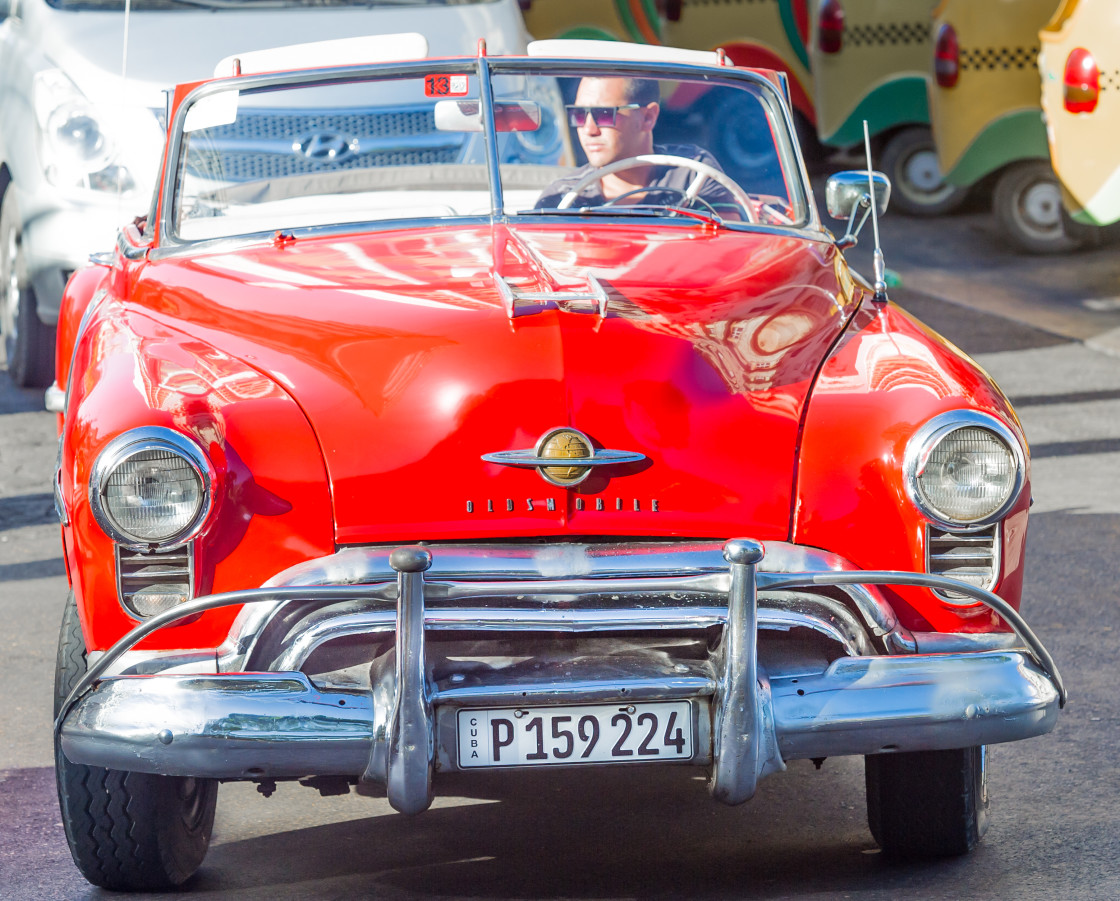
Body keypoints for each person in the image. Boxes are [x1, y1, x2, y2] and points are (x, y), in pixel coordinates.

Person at [535, 76, 736, 213]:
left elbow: (730, 250)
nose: (588, 129)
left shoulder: (692, 174)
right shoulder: (562, 196)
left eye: (604, 115)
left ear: (648, 117)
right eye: (578, 115)